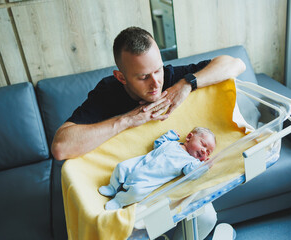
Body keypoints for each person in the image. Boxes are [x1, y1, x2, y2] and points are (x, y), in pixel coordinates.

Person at [51, 26, 245, 239]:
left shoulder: (171, 78)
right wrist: (127, 120)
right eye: (143, 77)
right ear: (121, 77)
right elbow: (61, 147)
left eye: (157, 70)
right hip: (133, 183)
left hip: (176, 183)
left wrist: (187, 83)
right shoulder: (107, 93)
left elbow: (236, 64)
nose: (156, 83)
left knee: (206, 219)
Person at [99, 127, 216, 210]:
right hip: (140, 163)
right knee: (121, 167)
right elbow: (158, 144)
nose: (204, 151)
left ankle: (119, 201)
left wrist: (204, 166)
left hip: (149, 180)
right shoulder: (173, 143)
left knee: (137, 192)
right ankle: (112, 187)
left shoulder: (191, 162)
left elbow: (192, 174)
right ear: (189, 137)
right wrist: (169, 135)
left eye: (208, 152)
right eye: (203, 144)